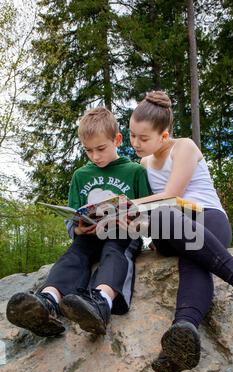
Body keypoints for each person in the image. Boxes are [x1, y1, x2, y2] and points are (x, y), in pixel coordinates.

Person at [129, 90, 233, 372]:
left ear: (164, 136)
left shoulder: (184, 147)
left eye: (143, 138)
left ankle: (181, 335)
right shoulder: (142, 165)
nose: (136, 143)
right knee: (164, 219)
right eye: (132, 135)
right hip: (170, 228)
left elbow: (173, 195)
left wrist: (127, 205)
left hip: (206, 217)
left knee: (193, 262)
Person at [6, 107, 152, 337]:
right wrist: (77, 228)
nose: (95, 156)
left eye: (101, 148)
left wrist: (135, 224)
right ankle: (48, 301)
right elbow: (73, 214)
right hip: (90, 233)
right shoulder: (80, 175)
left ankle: (101, 301)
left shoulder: (135, 171)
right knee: (73, 255)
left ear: (117, 139)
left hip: (122, 234)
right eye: (88, 151)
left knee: (114, 252)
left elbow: (147, 215)